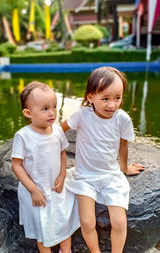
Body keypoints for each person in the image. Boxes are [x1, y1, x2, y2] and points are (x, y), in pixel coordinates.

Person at [61, 67, 145, 253]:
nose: (112, 105)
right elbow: (60, 130)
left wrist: (124, 168)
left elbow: (123, 145)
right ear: (90, 97)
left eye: (117, 98)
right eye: (105, 98)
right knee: (87, 221)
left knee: (119, 221)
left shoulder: (122, 119)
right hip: (85, 176)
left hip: (110, 175)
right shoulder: (82, 115)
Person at [11, 81, 79, 253]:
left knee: (64, 222)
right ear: (28, 113)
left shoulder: (56, 131)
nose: (52, 113)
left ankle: (66, 251)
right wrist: (33, 190)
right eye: (45, 109)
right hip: (36, 190)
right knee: (42, 230)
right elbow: (16, 165)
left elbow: (63, 153)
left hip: (55, 187)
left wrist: (62, 175)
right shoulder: (23, 136)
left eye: (54, 107)